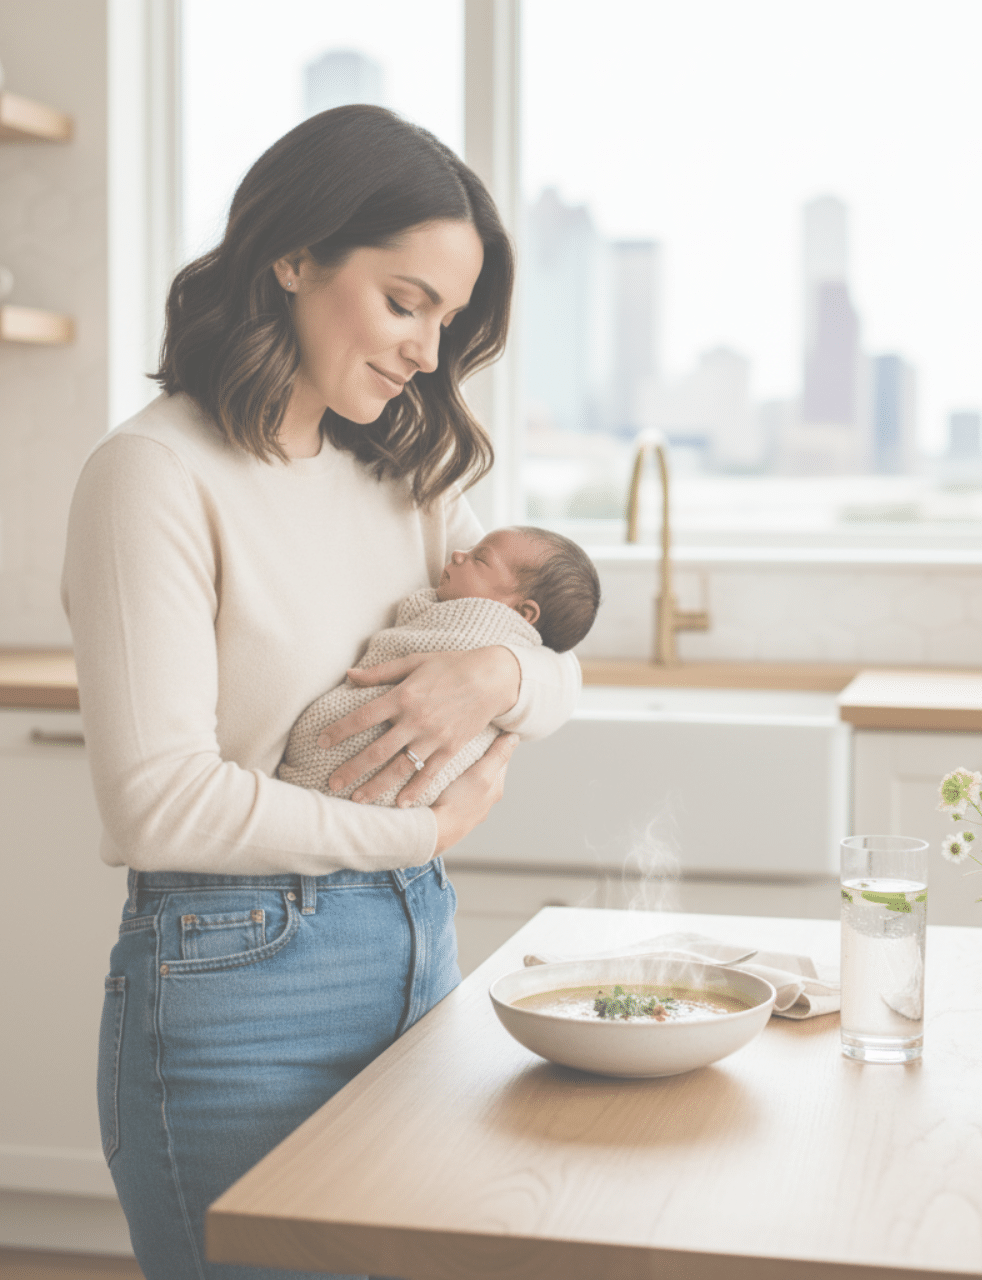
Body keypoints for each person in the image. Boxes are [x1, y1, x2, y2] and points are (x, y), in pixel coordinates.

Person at [61, 105, 581, 1280]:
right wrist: (415, 827)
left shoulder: (404, 470)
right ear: (291, 257)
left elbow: (561, 669)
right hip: (235, 984)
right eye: (405, 303)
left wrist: (494, 667)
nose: (428, 355)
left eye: (448, 321)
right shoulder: (152, 475)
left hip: (419, 948)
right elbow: (159, 803)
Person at [278, 525, 601, 804]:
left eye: (479, 558)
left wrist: (499, 673)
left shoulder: (480, 628)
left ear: (523, 613)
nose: (458, 553)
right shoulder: (497, 567)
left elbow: (561, 671)